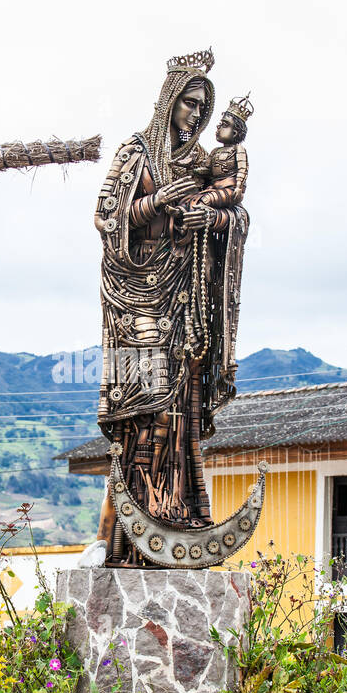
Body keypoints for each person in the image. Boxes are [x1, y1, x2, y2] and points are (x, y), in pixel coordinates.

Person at [80, 51, 249, 567]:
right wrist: (155, 205)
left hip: (186, 301)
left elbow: (234, 211)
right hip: (137, 301)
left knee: (183, 408)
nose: (196, 115)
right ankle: (132, 531)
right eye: (189, 104)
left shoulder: (205, 163)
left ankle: (180, 511)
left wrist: (214, 223)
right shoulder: (137, 153)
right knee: (144, 410)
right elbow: (107, 216)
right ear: (169, 101)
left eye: (204, 107)